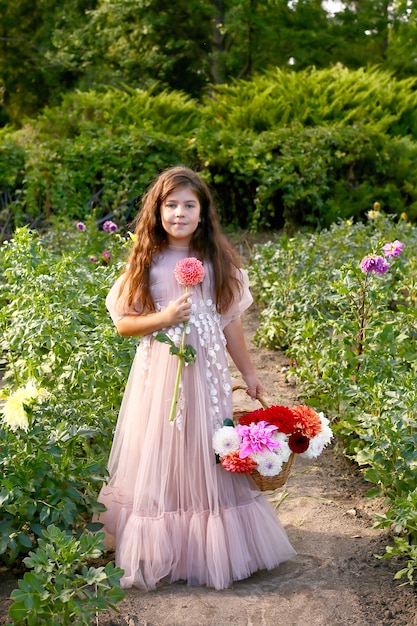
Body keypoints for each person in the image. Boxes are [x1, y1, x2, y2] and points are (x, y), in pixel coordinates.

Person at [97, 166, 296, 590]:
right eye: (171, 205)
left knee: (207, 446)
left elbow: (230, 324)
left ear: (203, 213)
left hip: (206, 372)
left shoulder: (216, 258)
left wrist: (248, 372)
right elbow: (124, 324)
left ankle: (207, 543)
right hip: (160, 372)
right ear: (158, 211)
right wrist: (165, 317)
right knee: (164, 444)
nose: (179, 213)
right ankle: (160, 541)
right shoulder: (146, 258)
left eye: (189, 205)